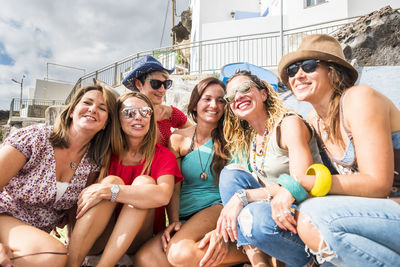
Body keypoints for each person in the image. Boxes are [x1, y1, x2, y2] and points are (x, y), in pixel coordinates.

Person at [277, 33, 400, 266]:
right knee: (297, 215)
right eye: (292, 70)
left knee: (313, 217)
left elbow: (378, 183)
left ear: (333, 71)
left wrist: (301, 184)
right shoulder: (314, 120)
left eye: (309, 66)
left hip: (391, 206)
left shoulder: (359, 99)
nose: (298, 75)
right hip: (380, 215)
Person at [133, 77, 249, 267]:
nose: (214, 105)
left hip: (217, 207)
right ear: (195, 104)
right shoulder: (177, 139)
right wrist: (175, 220)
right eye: (207, 99)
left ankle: (252, 252)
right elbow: (175, 186)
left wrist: (222, 227)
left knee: (180, 254)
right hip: (187, 214)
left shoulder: (233, 138)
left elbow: (240, 181)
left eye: (221, 100)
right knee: (145, 259)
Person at [0, 84, 118, 267]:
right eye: (87, 102)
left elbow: (75, 211)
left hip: (39, 237)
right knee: (54, 255)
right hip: (6, 217)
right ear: (72, 111)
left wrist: (75, 242)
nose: (93, 109)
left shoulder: (93, 163)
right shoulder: (35, 137)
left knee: (54, 256)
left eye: (102, 108)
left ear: (105, 124)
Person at [216, 70, 323, 266]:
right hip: (278, 211)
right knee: (230, 174)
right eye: (231, 96)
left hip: (306, 209)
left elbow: (300, 183)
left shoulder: (288, 124)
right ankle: (258, 262)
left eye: (245, 88)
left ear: (264, 94)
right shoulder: (253, 139)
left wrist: (243, 196)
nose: (238, 96)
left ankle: (310, 260)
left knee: (251, 215)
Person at [66, 92, 182, 267]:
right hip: (98, 236)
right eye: (129, 113)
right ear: (117, 119)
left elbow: (163, 196)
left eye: (145, 112)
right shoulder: (104, 153)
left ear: (151, 118)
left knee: (144, 183)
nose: (138, 117)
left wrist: (110, 191)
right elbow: (83, 196)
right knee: (112, 180)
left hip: (137, 240)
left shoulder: (163, 155)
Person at [122, 55, 191, 147]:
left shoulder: (169, 113)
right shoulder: (125, 113)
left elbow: (193, 131)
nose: (162, 90)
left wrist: (176, 140)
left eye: (166, 84)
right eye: (155, 83)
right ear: (139, 84)